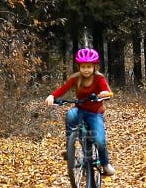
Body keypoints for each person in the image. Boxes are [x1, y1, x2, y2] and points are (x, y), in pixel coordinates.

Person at [45, 48, 116, 176]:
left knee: (99, 140)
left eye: (89, 66)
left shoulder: (99, 78)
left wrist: (105, 94)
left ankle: (105, 163)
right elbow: (63, 89)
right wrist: (52, 96)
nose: (86, 69)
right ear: (79, 67)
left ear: (95, 66)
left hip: (95, 113)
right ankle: (70, 146)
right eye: (83, 67)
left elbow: (107, 92)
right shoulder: (76, 78)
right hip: (81, 109)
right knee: (70, 115)